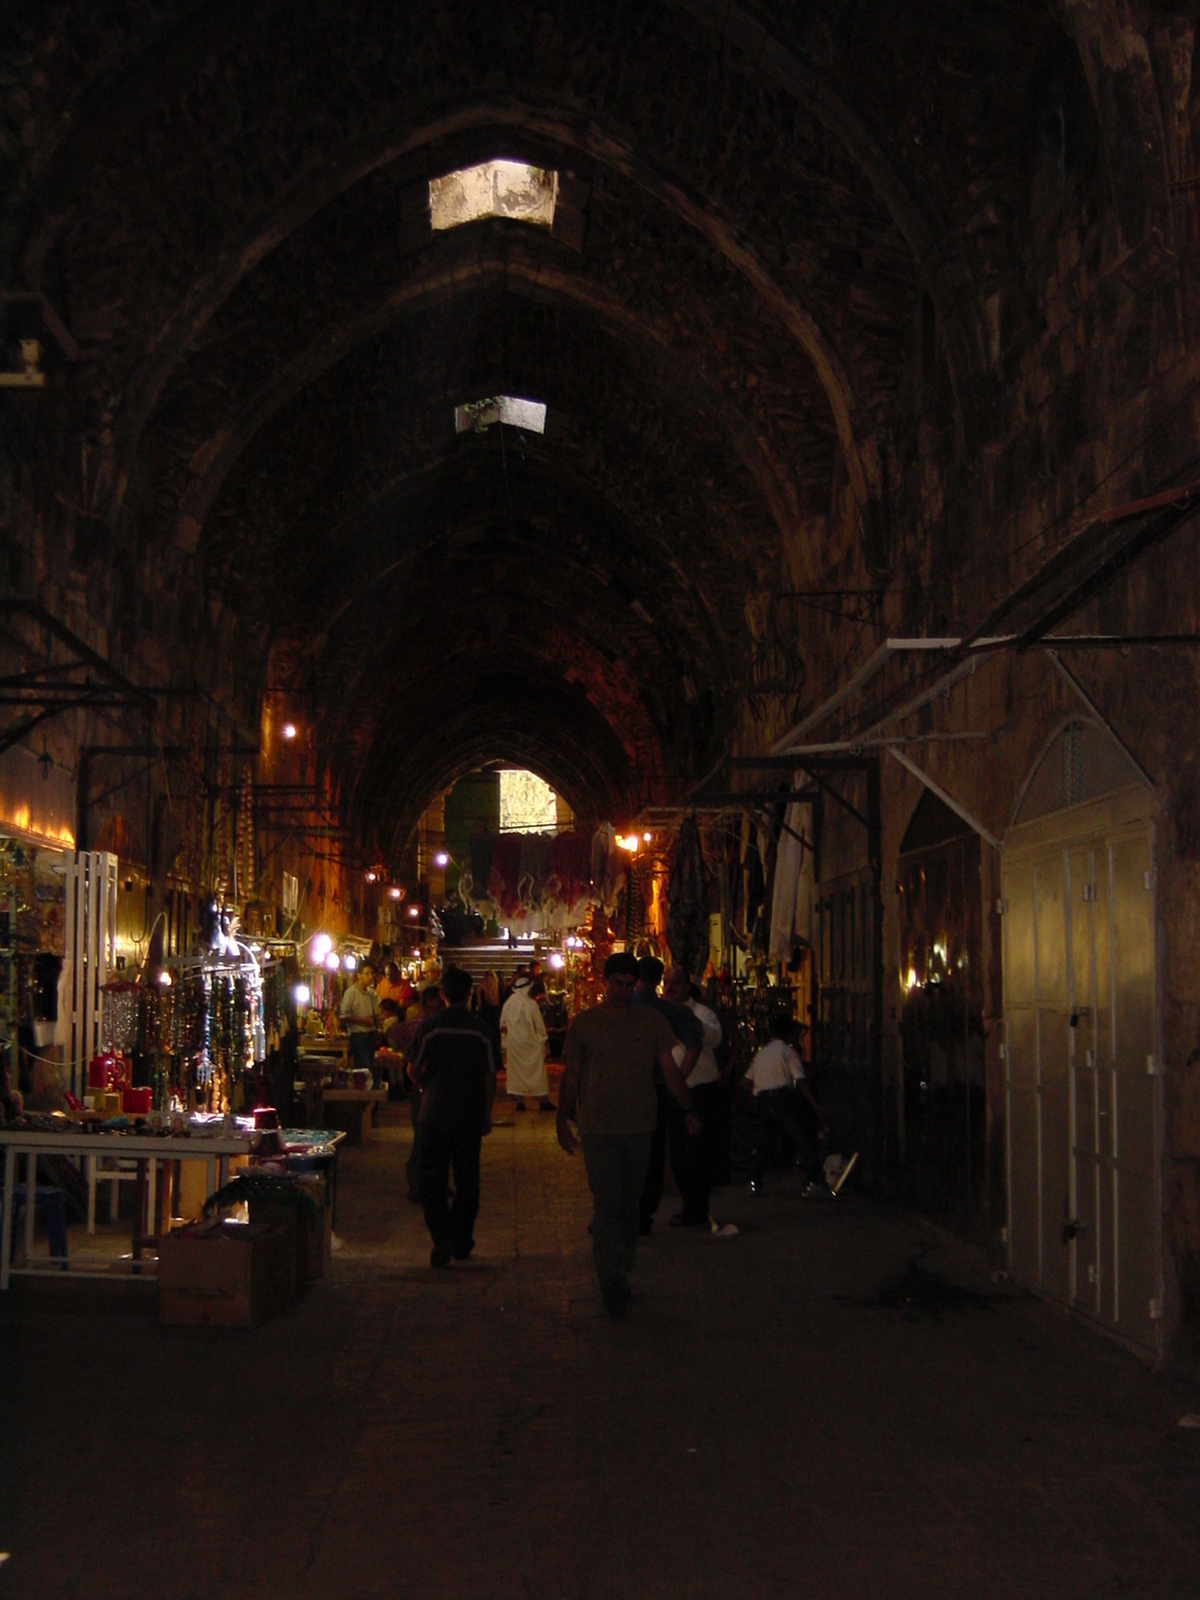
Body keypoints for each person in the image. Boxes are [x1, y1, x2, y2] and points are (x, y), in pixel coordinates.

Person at [557, 951, 701, 1318]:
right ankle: (612, 1280)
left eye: (627, 985)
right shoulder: (585, 1025)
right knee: (607, 1203)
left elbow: (669, 1070)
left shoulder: (651, 1022)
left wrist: (687, 1108)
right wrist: (562, 1117)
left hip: (640, 1127)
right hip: (598, 1129)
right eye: (615, 984)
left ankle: (622, 1262)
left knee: (629, 1203)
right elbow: (572, 1074)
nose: (621, 992)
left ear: (636, 985)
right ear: (605, 983)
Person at [409, 966, 497, 1266]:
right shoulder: (481, 1031)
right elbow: (489, 1076)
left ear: (444, 994)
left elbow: (412, 1067)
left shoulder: (430, 1028)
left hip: (434, 1114)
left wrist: (426, 1088)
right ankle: (461, 1240)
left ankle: (442, 1238)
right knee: (467, 1179)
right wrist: (486, 1113)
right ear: (470, 993)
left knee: (432, 1178)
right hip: (469, 1115)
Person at [633, 955, 702, 1234]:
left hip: (625, 1088)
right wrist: (679, 1078)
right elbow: (694, 1044)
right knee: (653, 1152)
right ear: (660, 980)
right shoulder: (668, 1011)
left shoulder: (624, 1008)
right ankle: (643, 1211)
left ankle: (621, 1208)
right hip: (659, 1089)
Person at [660, 965, 723, 1227]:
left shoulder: (702, 1013)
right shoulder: (661, 1015)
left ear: (686, 987)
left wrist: (692, 1020)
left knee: (698, 1153)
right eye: (666, 983)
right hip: (676, 1090)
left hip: (700, 1090)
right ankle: (689, 1205)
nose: (670, 988)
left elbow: (716, 1039)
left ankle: (698, 1207)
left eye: (675, 983)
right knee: (679, 1153)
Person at [744, 1015, 829, 1195]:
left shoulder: (761, 1054)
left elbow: (746, 1081)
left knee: (766, 1142)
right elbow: (799, 1079)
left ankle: (754, 1179)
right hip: (782, 1098)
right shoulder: (788, 1052)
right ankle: (816, 1179)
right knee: (803, 1136)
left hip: (762, 1099)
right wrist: (813, 1103)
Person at [402, 985, 445, 1202]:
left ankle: (438, 1183)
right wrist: (422, 1086)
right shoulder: (423, 1030)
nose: (431, 1015)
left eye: (434, 1010)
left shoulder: (435, 1030)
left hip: (441, 1091)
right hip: (427, 1091)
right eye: (428, 1010)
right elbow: (411, 1066)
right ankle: (417, 1185)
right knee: (421, 1137)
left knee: (441, 1139)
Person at [500, 974, 551, 1111]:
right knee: (537, 1073)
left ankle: (519, 1101)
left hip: (514, 1045)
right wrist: (542, 1042)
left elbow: (503, 1025)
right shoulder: (531, 1005)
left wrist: (507, 1042)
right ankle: (542, 1100)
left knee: (516, 1073)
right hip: (531, 1046)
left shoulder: (508, 1004)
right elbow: (540, 1027)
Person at [339, 963, 381, 1084]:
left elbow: (379, 1010)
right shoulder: (351, 993)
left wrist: (376, 1019)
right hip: (358, 1036)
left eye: (371, 974)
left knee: (370, 1068)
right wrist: (363, 1020)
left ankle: (371, 1099)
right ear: (358, 975)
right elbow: (344, 1016)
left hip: (370, 1035)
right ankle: (365, 1099)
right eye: (366, 974)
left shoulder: (371, 993)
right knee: (364, 1069)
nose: (370, 976)